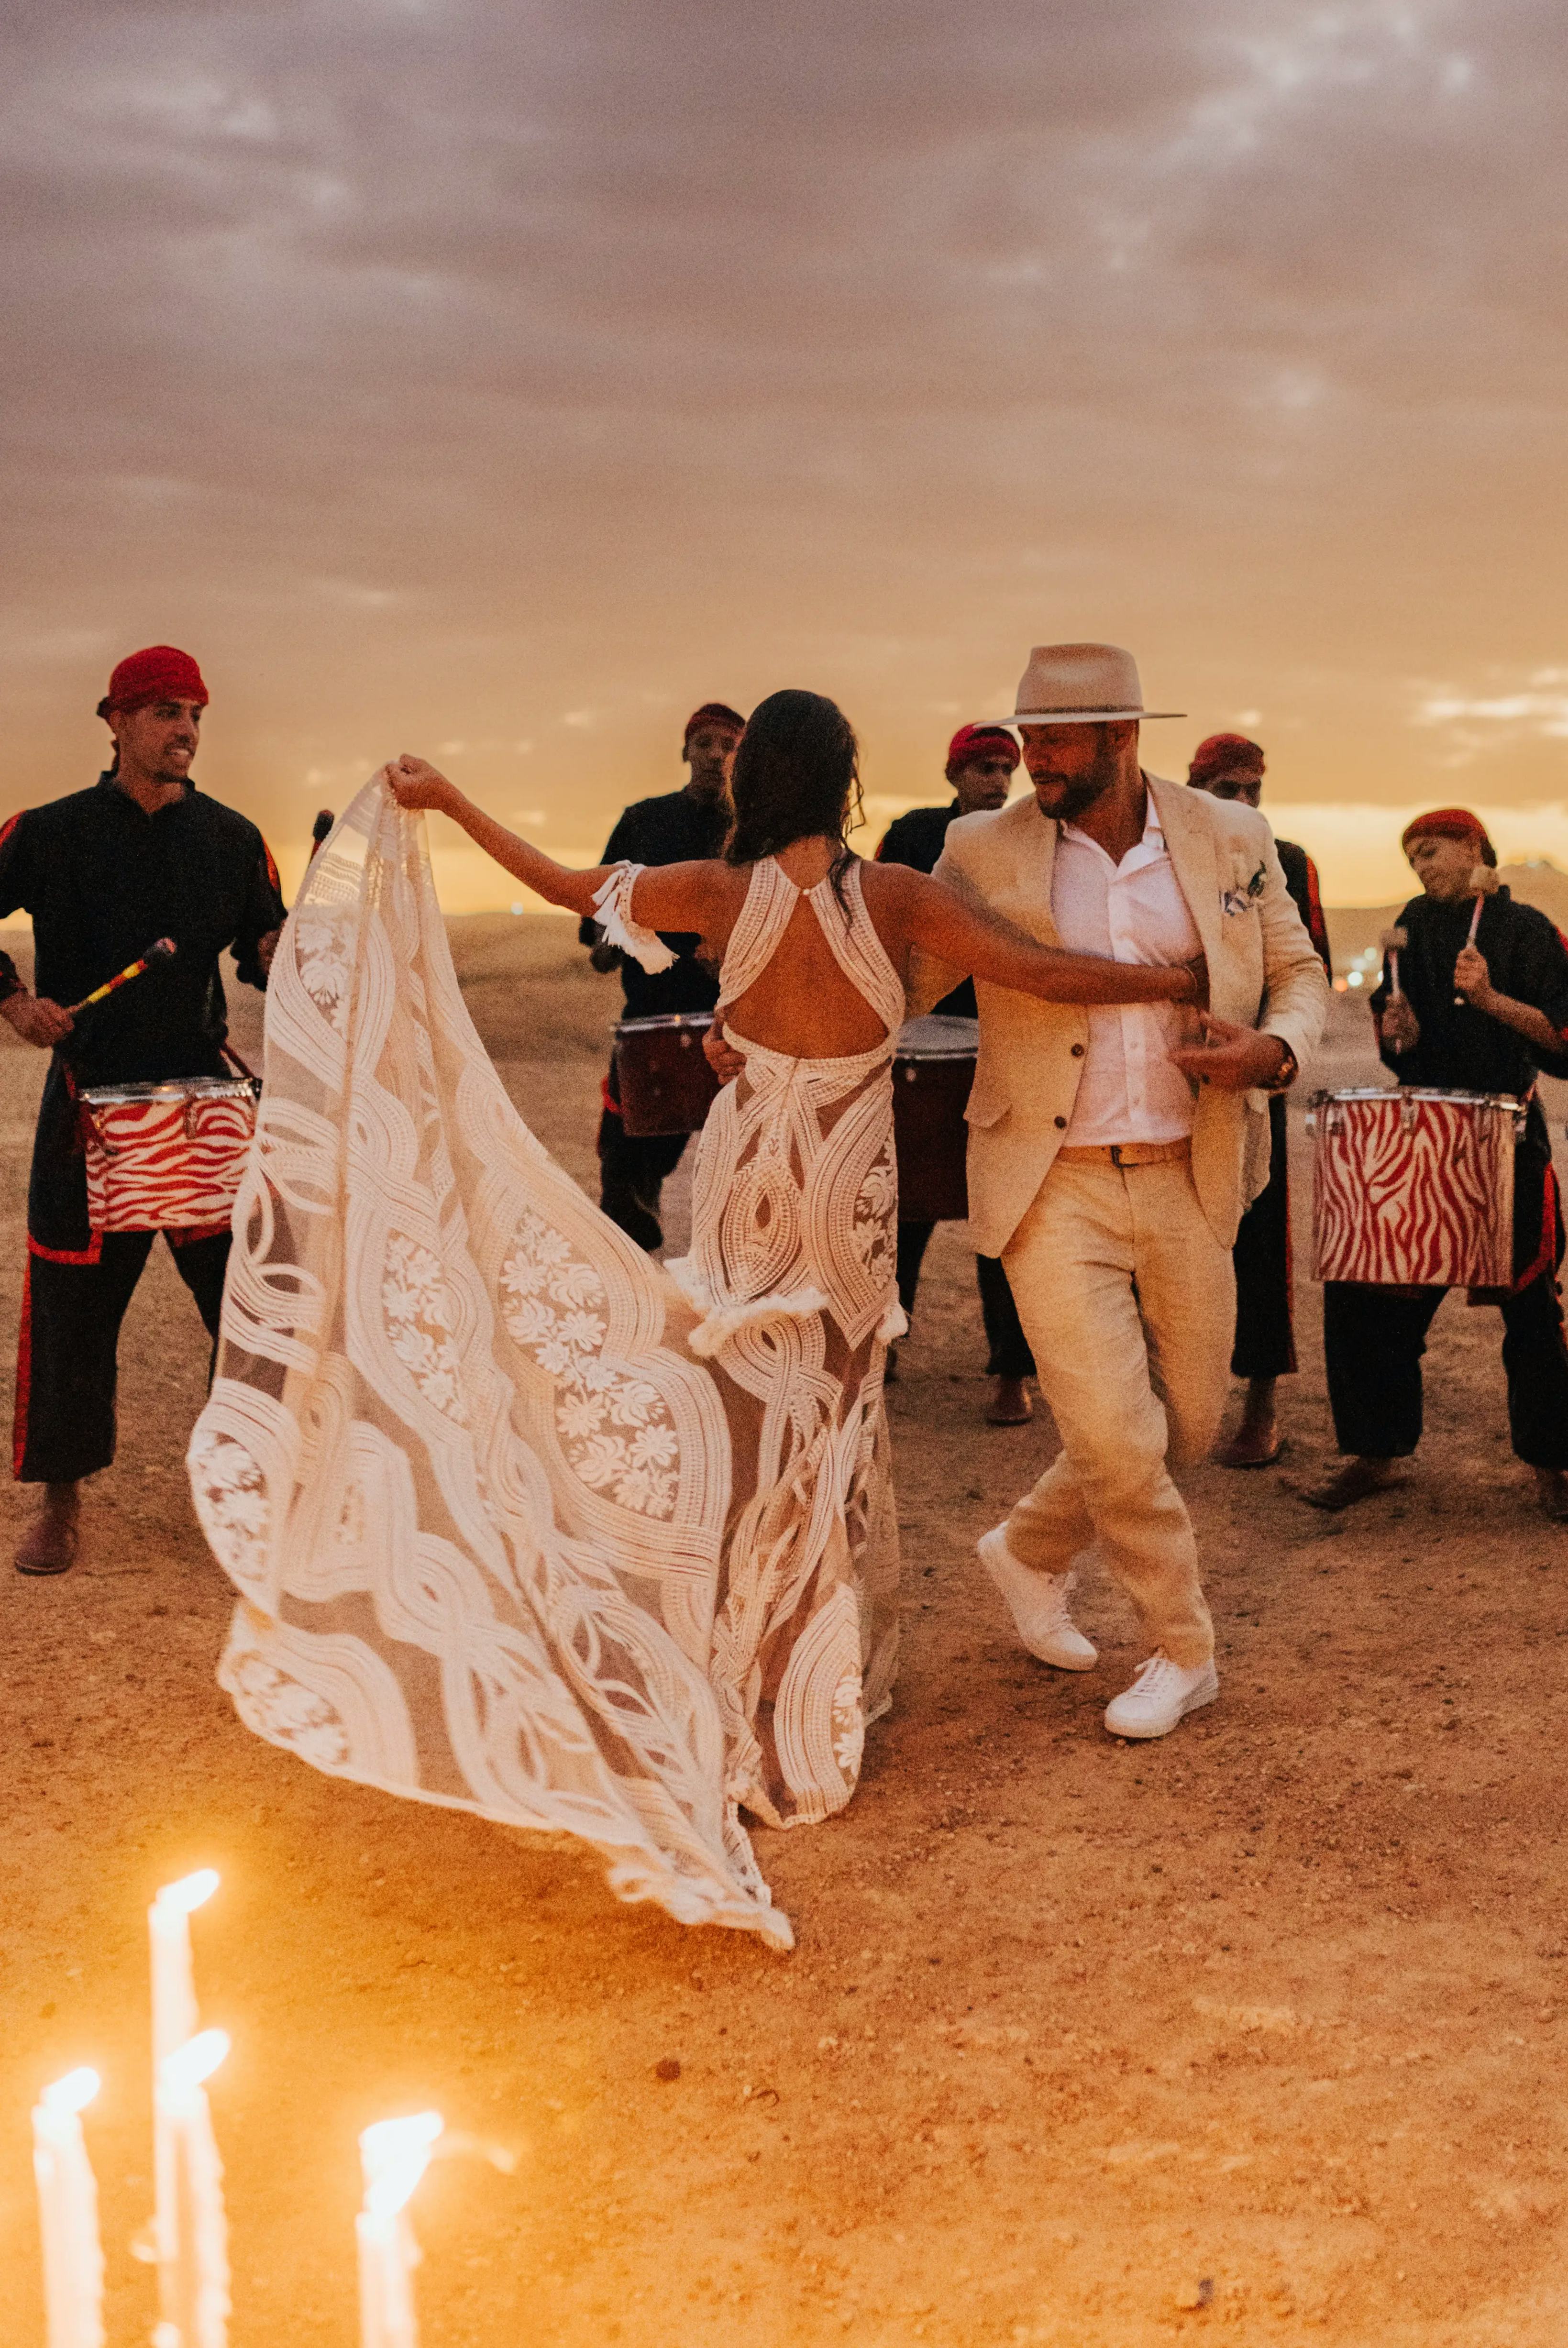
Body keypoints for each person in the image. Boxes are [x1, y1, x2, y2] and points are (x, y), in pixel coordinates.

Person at [188, 693, 1203, 1950]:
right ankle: (783, 1700)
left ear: (754, 782)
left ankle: (725, 1678)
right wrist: (1167, 981)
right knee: (822, 1427)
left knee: (739, 1417)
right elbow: (1042, 974)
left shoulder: (716, 893)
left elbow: (565, 882)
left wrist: (448, 801)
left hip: (747, 1170)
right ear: (844, 781)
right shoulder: (890, 898)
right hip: (843, 1186)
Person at [906, 644, 1329, 1744]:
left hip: (1192, 1167)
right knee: (1108, 1424)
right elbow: (904, 979)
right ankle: (1183, 1652)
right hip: (1051, 1180)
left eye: (1049, 740)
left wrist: (1270, 1051)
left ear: (1118, 738)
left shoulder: (1230, 838)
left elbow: (1294, 969)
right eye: (1021, 736)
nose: (1026, 756)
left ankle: (1030, 1545)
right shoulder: (978, 847)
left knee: (1179, 1421)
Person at [2, 647, 285, 1576]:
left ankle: (247, 1487)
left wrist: (290, 951)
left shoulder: (236, 841)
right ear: (116, 721)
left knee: (250, 1303)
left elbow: (262, 943)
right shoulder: (45, 835)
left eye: (196, 714)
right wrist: (13, 1001)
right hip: (95, 1100)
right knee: (74, 1302)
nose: (186, 731)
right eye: (165, 712)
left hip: (202, 1105)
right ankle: (62, 1500)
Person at [1302, 808, 1568, 1523]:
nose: (1423, 867)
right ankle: (1375, 1453)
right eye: (1413, 859)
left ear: (1473, 847)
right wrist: (1396, 1034)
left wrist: (1493, 999)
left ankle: (1554, 1468)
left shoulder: (1526, 928)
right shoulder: (1410, 926)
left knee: (1532, 1305)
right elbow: (1394, 1036)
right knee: (1368, 1289)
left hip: (1506, 1133)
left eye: (1432, 852)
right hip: (1422, 1137)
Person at [876, 722, 1038, 1424]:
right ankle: (882, 1341)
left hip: (1004, 1043)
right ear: (954, 775)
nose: (998, 782)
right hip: (916, 1045)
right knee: (902, 1206)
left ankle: (1011, 1370)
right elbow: (872, 913)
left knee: (1001, 1212)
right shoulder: (913, 834)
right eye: (984, 769)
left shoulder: (1036, 840)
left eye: (1008, 769)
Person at [1186, 731, 1331, 1467]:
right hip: (1169, 1073)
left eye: (1254, 793)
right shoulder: (1164, 855)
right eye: (1228, 792)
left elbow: (1309, 971)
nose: (1244, 805)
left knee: (1260, 1243)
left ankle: (1262, 1405)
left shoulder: (1289, 863)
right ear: (1195, 789)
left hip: (1251, 1079)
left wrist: (1269, 1052)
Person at [581, 703, 745, 1251]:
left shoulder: (754, 836)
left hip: (738, 1028)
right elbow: (599, 923)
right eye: (706, 745)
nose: (716, 758)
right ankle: (629, 1291)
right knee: (625, 1173)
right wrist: (614, 942)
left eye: (729, 746)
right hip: (651, 1019)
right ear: (685, 751)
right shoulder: (643, 821)